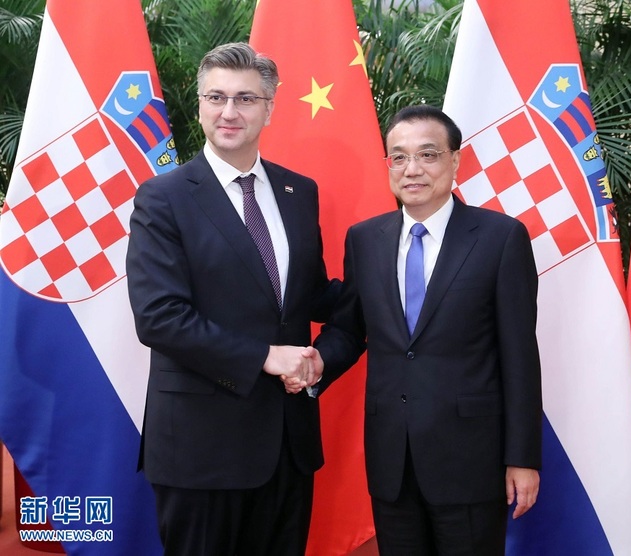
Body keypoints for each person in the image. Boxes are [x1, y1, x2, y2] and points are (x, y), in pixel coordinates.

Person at [126, 42, 339, 556]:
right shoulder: (164, 197)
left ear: (269, 107)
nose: (229, 112)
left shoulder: (299, 191)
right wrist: (266, 357)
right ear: (198, 104)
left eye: (245, 99)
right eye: (216, 97)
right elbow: (159, 318)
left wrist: (396, 277)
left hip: (289, 446)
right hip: (202, 450)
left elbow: (307, 296)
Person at [302, 105, 542, 555]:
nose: (412, 169)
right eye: (399, 157)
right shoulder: (365, 239)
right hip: (392, 460)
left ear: (455, 161)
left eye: (428, 155)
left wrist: (523, 458)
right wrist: (316, 364)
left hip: (471, 459)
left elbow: (520, 357)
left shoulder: (500, 238)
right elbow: (351, 330)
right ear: (388, 166)